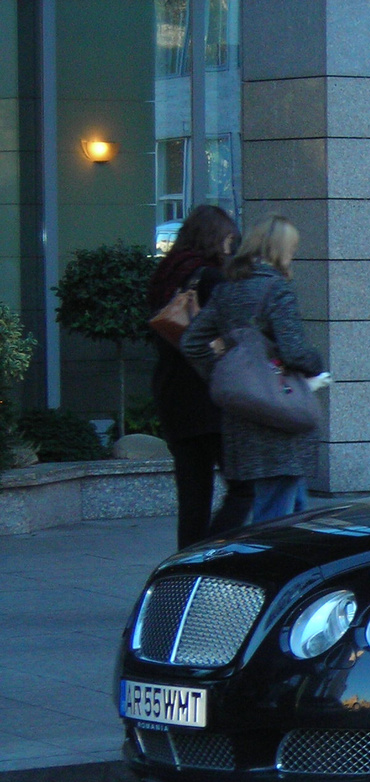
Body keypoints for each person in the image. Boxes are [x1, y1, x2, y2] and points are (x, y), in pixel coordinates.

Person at [182, 215, 324, 525]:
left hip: (241, 420)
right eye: (291, 247)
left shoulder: (227, 290)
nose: (293, 254)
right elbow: (294, 351)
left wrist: (228, 377)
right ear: (276, 249)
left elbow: (192, 342)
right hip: (279, 415)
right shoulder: (277, 290)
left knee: (291, 510)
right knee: (276, 521)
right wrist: (317, 365)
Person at [147, 205, 250, 546]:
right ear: (215, 238)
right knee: (244, 487)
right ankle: (210, 554)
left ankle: (185, 566)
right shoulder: (211, 278)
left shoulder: (165, 274)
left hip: (171, 392)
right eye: (227, 239)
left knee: (193, 496)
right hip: (208, 394)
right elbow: (232, 332)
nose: (229, 247)